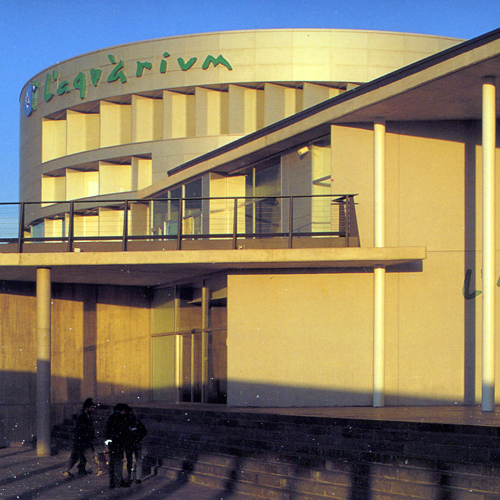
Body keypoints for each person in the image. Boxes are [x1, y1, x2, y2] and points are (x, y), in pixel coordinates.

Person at [61, 398, 105, 478]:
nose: (92, 409)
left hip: (82, 440)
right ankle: (96, 471)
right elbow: (81, 429)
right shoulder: (82, 416)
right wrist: (89, 435)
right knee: (89, 456)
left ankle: (66, 470)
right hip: (82, 440)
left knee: (75, 457)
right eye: (91, 407)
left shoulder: (85, 415)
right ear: (87, 407)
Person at [103, 403, 131, 488]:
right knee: (118, 462)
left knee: (112, 462)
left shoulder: (110, 417)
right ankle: (119, 480)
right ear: (123, 410)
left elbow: (106, 430)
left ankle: (112, 481)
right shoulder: (121, 418)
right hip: (118, 443)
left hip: (112, 442)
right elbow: (123, 431)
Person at [125, 407, 147, 484]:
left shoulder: (137, 422)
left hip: (134, 442)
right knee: (132, 460)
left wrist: (138, 437)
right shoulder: (127, 422)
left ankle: (136, 477)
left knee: (136, 460)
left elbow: (143, 431)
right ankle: (132, 477)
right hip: (130, 443)